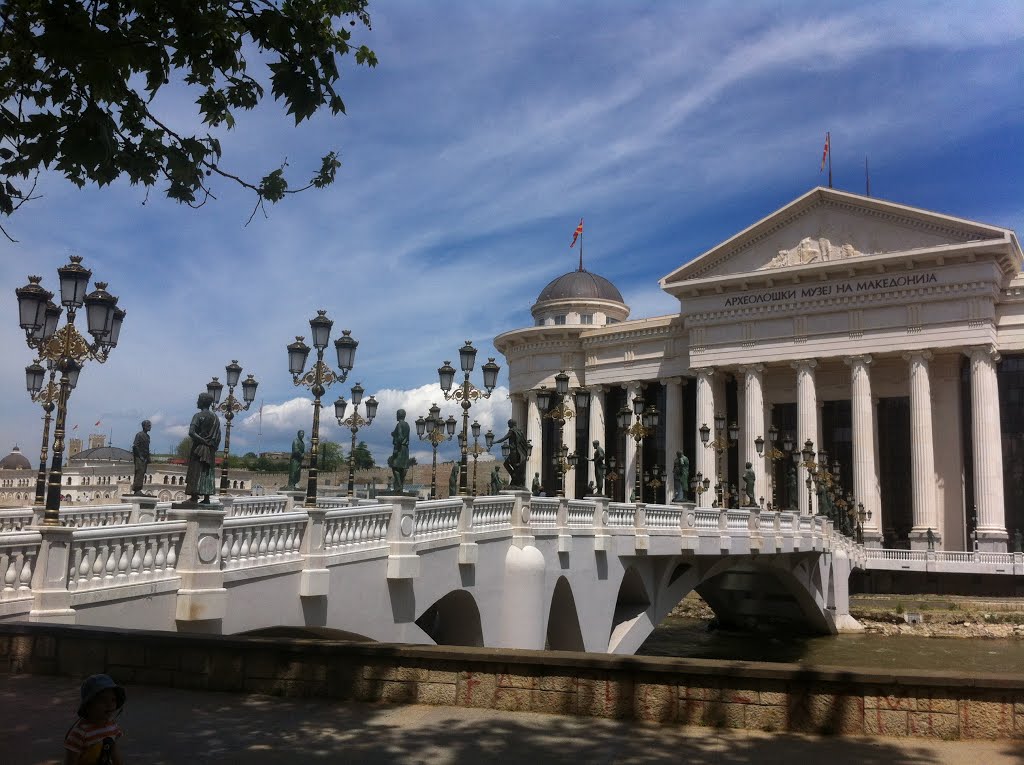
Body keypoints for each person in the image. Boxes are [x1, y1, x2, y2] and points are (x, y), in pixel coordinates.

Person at [64, 673, 126, 765]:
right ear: (89, 705)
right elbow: (71, 761)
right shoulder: (80, 733)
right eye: (103, 700)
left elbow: (114, 752)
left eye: (113, 700)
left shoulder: (112, 726)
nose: (110, 705)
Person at [185, 392, 221, 505]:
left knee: (195, 470)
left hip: (199, 448)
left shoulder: (198, 416)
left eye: (198, 399)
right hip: (210, 450)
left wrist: (202, 441)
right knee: (207, 472)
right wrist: (211, 444)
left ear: (203, 401)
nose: (197, 402)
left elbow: (191, 432)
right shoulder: (215, 418)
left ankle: (194, 497)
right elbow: (218, 436)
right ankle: (206, 498)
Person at [493, 419, 528, 489]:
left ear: (511, 424)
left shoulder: (512, 431)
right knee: (515, 467)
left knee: (509, 465)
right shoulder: (520, 431)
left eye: (508, 424)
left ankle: (515, 479)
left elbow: (504, 438)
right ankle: (516, 480)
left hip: (513, 452)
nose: (508, 425)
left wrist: (495, 442)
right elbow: (524, 441)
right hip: (519, 452)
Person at [130, 420, 151, 496]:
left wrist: (148, 458)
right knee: (139, 472)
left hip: (144, 458)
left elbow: (147, 448)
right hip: (139, 458)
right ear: (144, 426)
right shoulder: (139, 435)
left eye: (150, 425)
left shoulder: (148, 436)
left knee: (142, 473)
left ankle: (139, 489)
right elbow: (135, 446)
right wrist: (140, 456)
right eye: (148, 425)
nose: (150, 427)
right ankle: (137, 489)